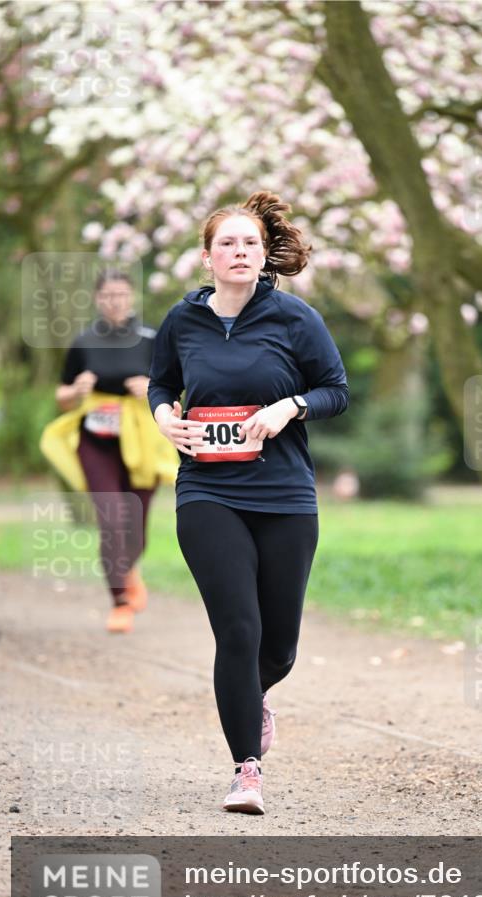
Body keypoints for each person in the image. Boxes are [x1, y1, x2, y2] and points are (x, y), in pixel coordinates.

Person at [148, 190, 349, 815]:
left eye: (251, 244)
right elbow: (162, 382)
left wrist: (290, 405)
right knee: (238, 630)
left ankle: (247, 696)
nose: (240, 252)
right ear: (207, 257)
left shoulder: (295, 319)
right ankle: (247, 770)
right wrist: (163, 417)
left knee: (278, 647)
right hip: (207, 490)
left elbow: (335, 390)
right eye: (228, 243)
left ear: (265, 257)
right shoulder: (183, 321)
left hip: (284, 493)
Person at [42, 271, 176, 633]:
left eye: (121, 294)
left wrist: (150, 389)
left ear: (131, 297)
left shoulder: (152, 338)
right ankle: (120, 600)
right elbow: (61, 396)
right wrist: (77, 392)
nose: (114, 301)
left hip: (143, 438)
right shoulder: (84, 340)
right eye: (107, 295)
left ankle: (129, 570)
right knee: (112, 517)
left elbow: (175, 390)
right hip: (96, 441)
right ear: (97, 299)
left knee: (137, 527)